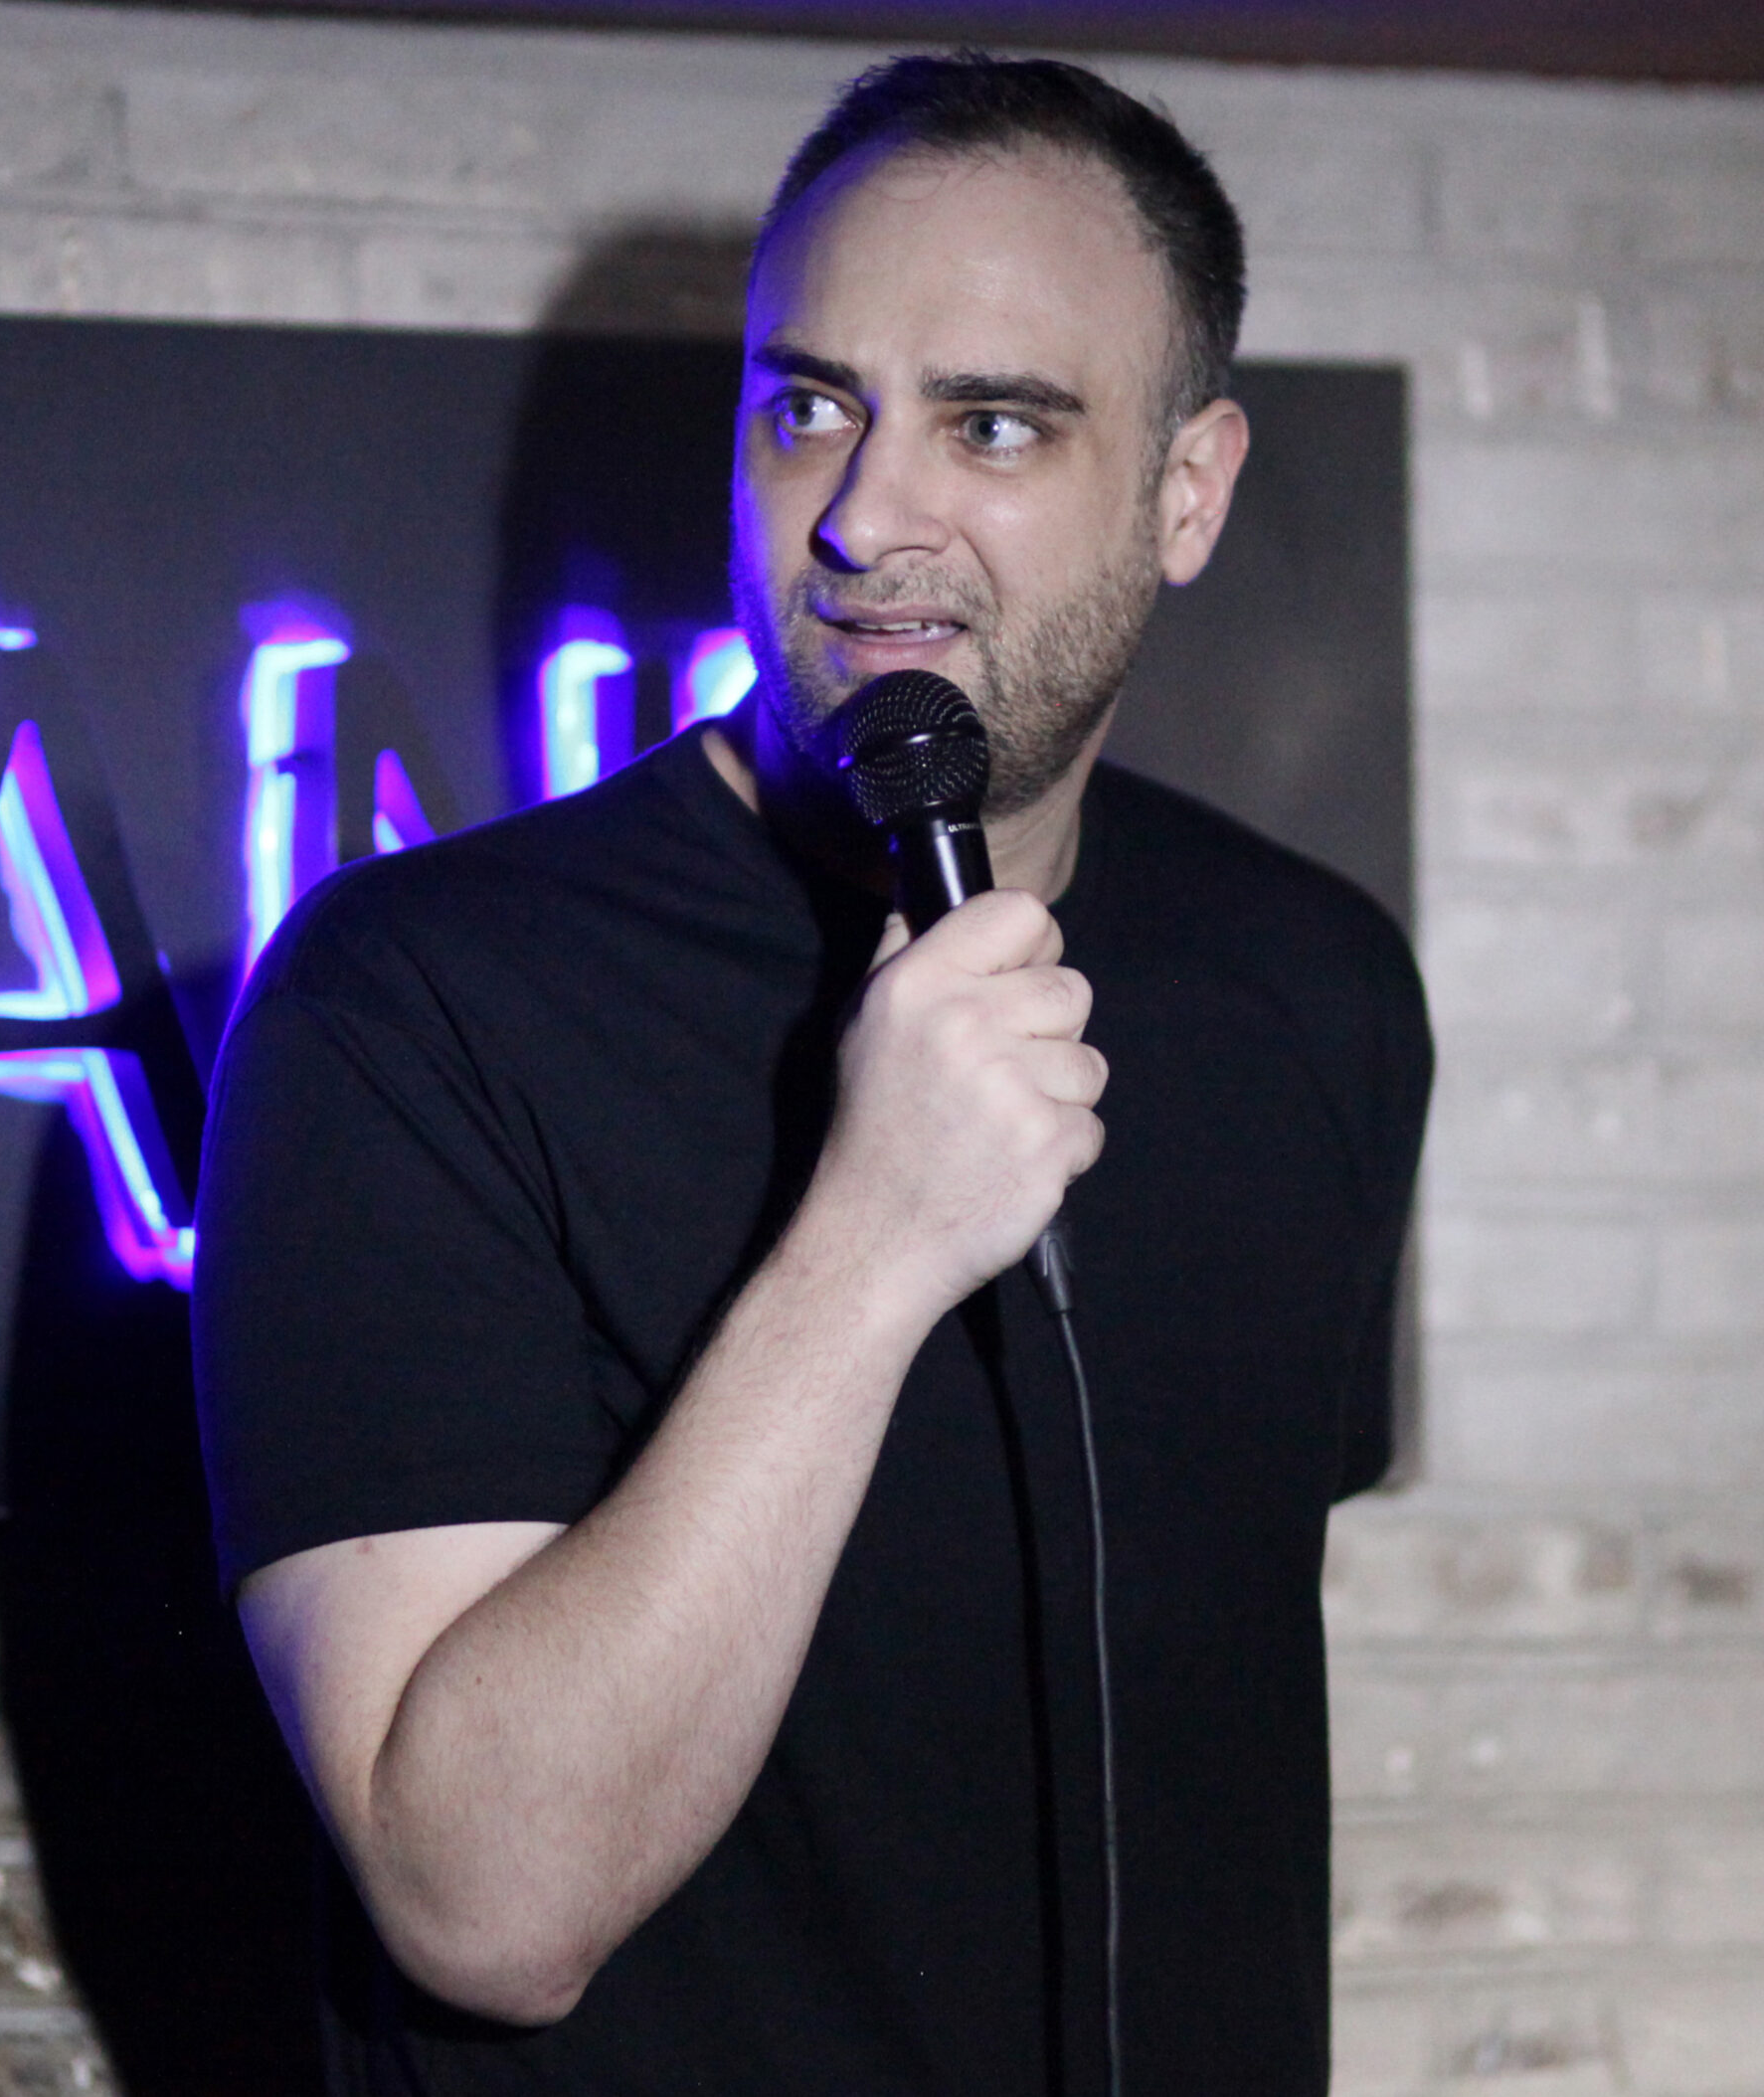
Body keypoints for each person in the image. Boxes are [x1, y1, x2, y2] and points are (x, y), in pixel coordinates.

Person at [195, 51, 1431, 2096]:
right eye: (808, 408)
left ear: (1187, 492)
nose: (863, 516)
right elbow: (482, 1902)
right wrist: (873, 1237)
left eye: (994, 423)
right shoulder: (410, 1003)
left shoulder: (1316, 986)